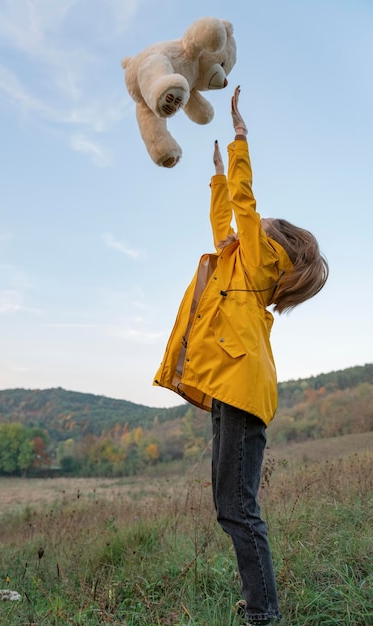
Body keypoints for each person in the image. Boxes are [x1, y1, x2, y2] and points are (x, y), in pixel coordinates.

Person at [153, 86, 329, 625]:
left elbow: (244, 213)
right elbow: (224, 224)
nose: (257, 223)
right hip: (236, 390)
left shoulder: (263, 260)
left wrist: (240, 142)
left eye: (264, 222)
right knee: (230, 507)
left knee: (238, 510)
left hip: (242, 389)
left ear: (279, 240)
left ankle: (263, 615)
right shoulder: (242, 262)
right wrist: (217, 178)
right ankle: (261, 608)